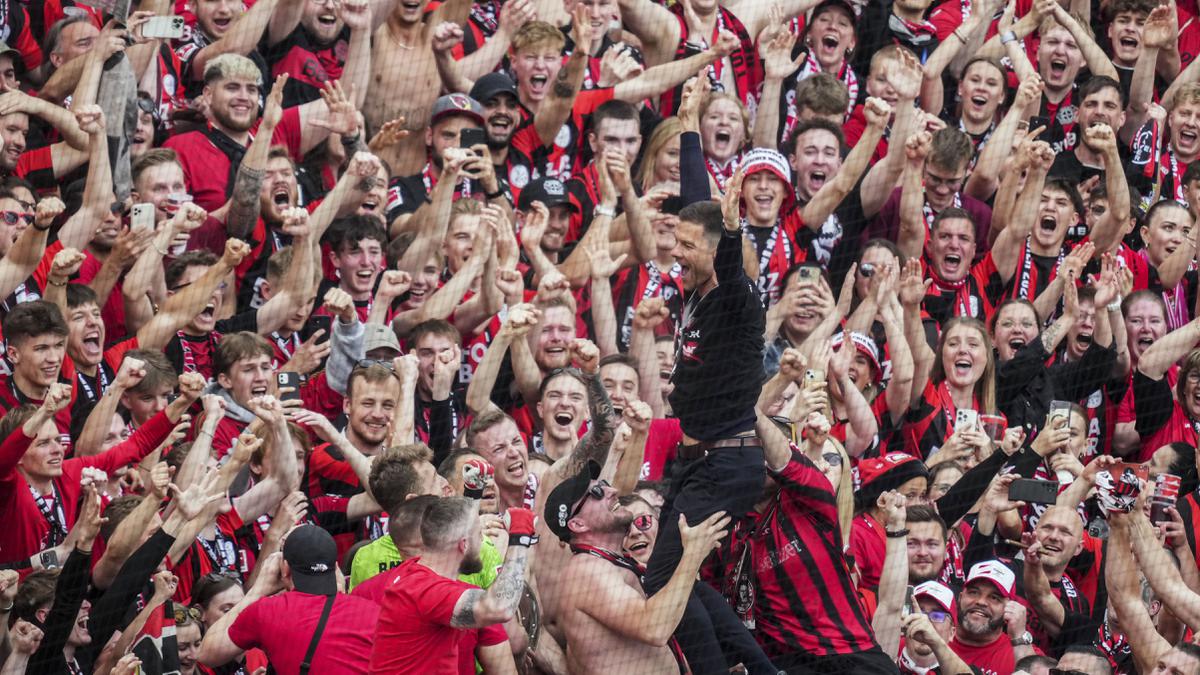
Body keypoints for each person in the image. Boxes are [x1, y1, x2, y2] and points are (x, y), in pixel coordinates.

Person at [548, 459, 729, 674]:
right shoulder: (586, 571)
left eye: (605, 483)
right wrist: (692, 555)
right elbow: (654, 628)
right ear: (578, 524)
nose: (612, 490)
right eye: (597, 491)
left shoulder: (609, 562)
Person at [367, 497, 537, 673]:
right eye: (479, 535)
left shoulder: (419, 572)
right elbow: (500, 608)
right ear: (464, 545)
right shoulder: (425, 589)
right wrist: (520, 537)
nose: (483, 542)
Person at [198, 525, 381, 674]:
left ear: (284, 569)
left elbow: (207, 654)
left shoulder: (269, 611)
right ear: (335, 568)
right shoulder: (371, 611)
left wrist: (257, 591)